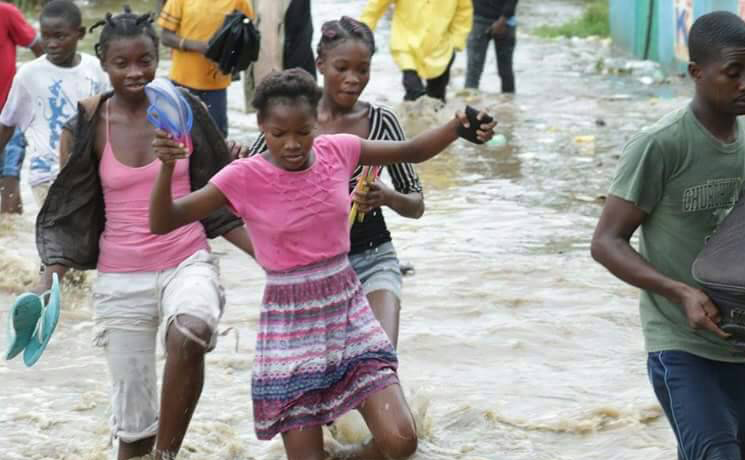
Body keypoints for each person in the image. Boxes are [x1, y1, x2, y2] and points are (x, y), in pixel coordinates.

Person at [148, 68, 494, 459]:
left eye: (303, 131)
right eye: (279, 134)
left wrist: (458, 126)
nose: (292, 144)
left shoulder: (339, 150)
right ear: (262, 126)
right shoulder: (242, 176)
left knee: (400, 441)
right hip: (291, 326)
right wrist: (165, 167)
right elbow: (163, 220)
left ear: (317, 122)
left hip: (348, 312)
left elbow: (411, 151)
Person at [34, 7, 255, 460]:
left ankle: (167, 456)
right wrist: (47, 279)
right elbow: (69, 212)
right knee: (132, 436)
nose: (136, 72)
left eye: (145, 61)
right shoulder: (87, 125)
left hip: (185, 260)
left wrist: (278, 256)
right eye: (122, 63)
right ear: (103, 63)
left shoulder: (185, 110)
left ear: (159, 58)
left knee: (191, 331)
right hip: (121, 279)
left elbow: (220, 197)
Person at [590, 12, 745, 460]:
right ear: (697, 73)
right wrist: (679, 292)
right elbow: (605, 242)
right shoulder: (660, 145)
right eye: (732, 73)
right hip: (681, 344)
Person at [247, 17, 423, 347]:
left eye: (363, 69)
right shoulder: (294, 119)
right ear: (320, 64)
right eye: (342, 68)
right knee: (319, 384)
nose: (353, 80)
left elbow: (416, 203)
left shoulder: (381, 122)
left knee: (380, 361)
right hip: (309, 272)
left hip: (374, 259)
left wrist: (387, 197)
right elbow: (246, 189)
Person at [0, 0, 109, 212]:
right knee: (57, 238)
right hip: (46, 175)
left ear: (80, 34)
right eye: (46, 36)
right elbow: (7, 123)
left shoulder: (94, 68)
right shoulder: (28, 75)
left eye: (60, 36)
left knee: (86, 237)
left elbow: (106, 117)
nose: (51, 44)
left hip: (86, 172)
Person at [157, 0, 255, 137]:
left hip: (216, 85)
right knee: (179, 137)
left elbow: (248, 32)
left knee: (216, 138)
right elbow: (165, 37)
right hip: (182, 81)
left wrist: (234, 54)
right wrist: (197, 46)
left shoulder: (240, 2)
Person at [360, 0, 473, 103]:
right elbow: (375, 7)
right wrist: (361, 33)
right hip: (406, 46)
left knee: (437, 99)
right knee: (414, 91)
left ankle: (434, 124)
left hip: (441, 48)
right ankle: (403, 122)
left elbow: (463, 12)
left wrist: (456, 41)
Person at [0, 1, 44, 214]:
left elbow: (39, 47)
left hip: (9, 109)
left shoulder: (5, 13)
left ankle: (9, 238)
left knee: (9, 175)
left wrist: (43, 87)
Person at [465, 0, 517, 94]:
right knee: (473, 70)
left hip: (504, 22)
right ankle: (469, 104)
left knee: (505, 70)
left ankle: (508, 105)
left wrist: (503, 20)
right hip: (479, 19)